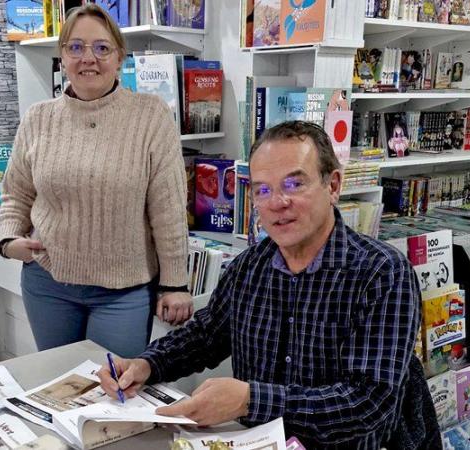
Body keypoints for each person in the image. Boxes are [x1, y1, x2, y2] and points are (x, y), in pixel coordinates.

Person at [98, 121, 422, 448]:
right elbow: (206, 335)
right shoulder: (249, 266)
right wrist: (147, 364)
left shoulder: (383, 274)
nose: (277, 203)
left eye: (294, 184)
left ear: (333, 185)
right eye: (263, 190)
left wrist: (249, 401)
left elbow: (367, 403)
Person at [0, 4, 192, 358]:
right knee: (61, 390)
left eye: (102, 48)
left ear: (120, 57)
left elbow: (169, 208)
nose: (89, 58)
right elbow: (16, 194)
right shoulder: (38, 119)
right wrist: (9, 239)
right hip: (48, 284)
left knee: (115, 393)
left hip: (124, 291)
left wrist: (175, 283)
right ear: (62, 57)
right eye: (76, 47)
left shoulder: (150, 115)